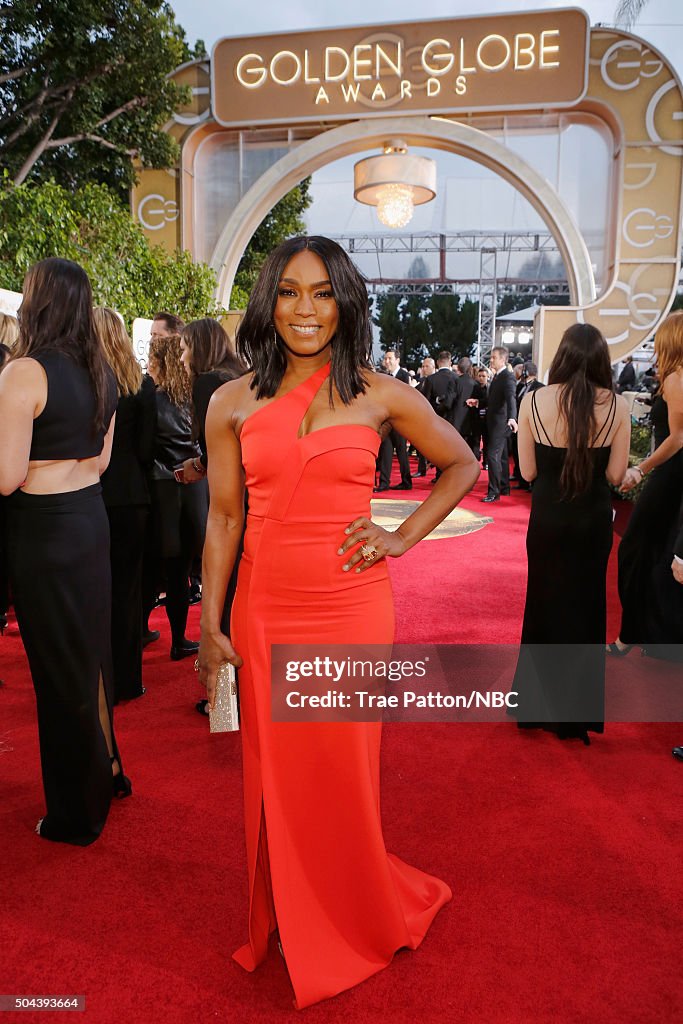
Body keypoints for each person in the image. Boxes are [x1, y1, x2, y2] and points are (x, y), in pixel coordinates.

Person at [196, 235, 480, 1009]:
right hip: (262, 607)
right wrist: (209, 622)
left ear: (345, 303)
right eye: (289, 292)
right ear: (267, 302)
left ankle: (351, 909)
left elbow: (462, 463)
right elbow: (224, 518)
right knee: (276, 776)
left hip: (350, 608)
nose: (305, 309)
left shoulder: (382, 394)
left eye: (322, 293)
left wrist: (400, 535)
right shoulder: (231, 401)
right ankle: (289, 908)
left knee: (343, 774)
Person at [0, 257, 131, 845]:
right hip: (90, 518)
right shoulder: (103, 369)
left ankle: (76, 814)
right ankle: (108, 769)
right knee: (92, 655)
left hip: (45, 531)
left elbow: (5, 477)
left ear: (39, 299)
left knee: (58, 671)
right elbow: (101, 462)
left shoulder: (24, 373)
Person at [511, 323, 630, 744]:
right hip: (592, 524)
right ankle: (573, 718)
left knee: (542, 606)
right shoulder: (617, 406)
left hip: (547, 522)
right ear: (601, 361)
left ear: (561, 356)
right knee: (586, 612)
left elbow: (526, 472)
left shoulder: (533, 401)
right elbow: (615, 475)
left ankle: (533, 709)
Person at [176, 317, 246, 713]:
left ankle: (224, 703)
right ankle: (236, 698)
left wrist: (199, 466)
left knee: (219, 602)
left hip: (229, 504)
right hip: (253, 499)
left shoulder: (208, 382)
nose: (183, 356)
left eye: (186, 347)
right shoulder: (240, 376)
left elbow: (218, 449)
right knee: (238, 599)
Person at [608, 311, 683, 660]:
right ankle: (649, 637)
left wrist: (641, 469)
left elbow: (678, 439)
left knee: (634, 551)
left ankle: (632, 635)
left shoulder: (676, 378)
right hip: (673, 475)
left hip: (671, 474)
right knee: (659, 554)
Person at [95, 307, 156, 703]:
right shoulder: (142, 385)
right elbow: (148, 448)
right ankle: (129, 680)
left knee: (97, 592)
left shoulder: (88, 383)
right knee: (129, 591)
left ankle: (101, 683)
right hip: (133, 497)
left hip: (92, 494)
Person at [146, 332, 208, 660]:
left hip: (163, 486)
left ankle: (142, 630)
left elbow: (145, 447)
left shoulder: (153, 399)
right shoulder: (197, 398)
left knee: (160, 567)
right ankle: (179, 640)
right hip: (195, 486)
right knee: (184, 568)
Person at [469, 346, 517, 502]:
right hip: (494, 421)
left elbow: (511, 398)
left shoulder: (507, 377)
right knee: (501, 457)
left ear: (503, 359)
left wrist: (512, 417)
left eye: (494, 357)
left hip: (500, 423)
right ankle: (504, 487)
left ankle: (494, 492)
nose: (491, 360)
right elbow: (493, 400)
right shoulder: (497, 376)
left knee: (492, 456)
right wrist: (478, 403)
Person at [375, 347, 412, 490]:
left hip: (399, 420)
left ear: (397, 360)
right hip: (386, 421)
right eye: (385, 358)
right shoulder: (384, 376)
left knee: (402, 451)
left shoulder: (404, 376)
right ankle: (384, 483)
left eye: (390, 358)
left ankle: (406, 481)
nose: (387, 361)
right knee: (386, 451)